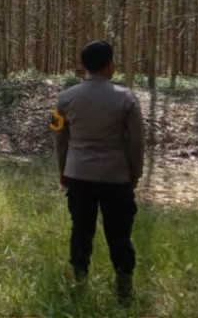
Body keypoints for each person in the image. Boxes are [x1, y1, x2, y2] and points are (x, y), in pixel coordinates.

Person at [51, 40, 145, 305]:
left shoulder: (66, 98)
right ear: (109, 66)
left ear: (84, 66)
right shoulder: (126, 98)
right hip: (116, 178)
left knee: (81, 230)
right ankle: (124, 289)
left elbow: (59, 138)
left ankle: (79, 285)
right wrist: (134, 174)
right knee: (119, 234)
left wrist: (63, 170)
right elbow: (136, 143)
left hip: (78, 176)